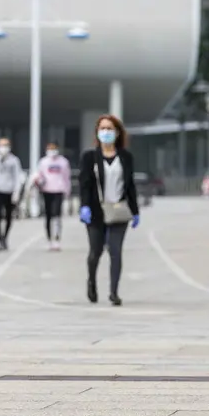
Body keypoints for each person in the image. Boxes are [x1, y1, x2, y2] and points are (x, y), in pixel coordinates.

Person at [78, 114, 140, 306]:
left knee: (116, 251)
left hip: (119, 210)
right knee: (96, 251)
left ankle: (114, 292)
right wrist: (84, 206)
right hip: (97, 211)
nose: (106, 132)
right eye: (103, 129)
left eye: (110, 129)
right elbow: (85, 184)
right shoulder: (90, 157)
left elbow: (130, 185)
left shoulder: (125, 157)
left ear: (117, 132)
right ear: (97, 132)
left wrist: (135, 210)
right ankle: (91, 282)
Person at [34, 142, 72, 251]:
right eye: (50, 149)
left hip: (58, 190)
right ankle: (49, 239)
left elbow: (67, 177)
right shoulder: (43, 162)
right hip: (46, 190)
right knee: (48, 216)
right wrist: (38, 182)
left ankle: (57, 238)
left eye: (54, 149)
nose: (52, 151)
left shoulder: (63, 162)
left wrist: (67, 191)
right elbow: (40, 175)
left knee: (57, 215)